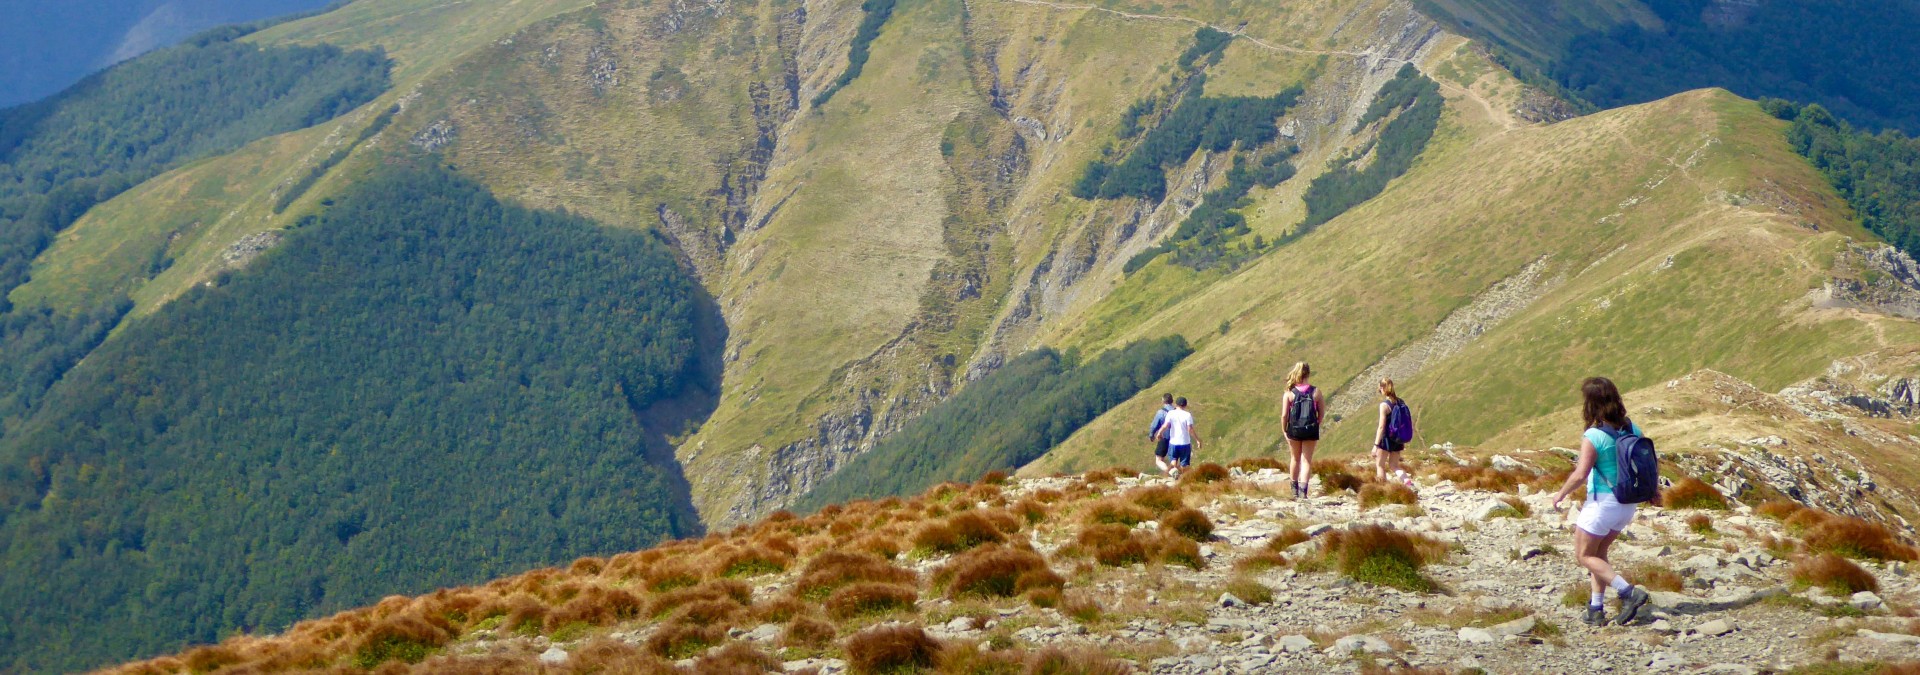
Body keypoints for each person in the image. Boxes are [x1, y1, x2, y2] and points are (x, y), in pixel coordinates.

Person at [1551, 376, 1661, 627]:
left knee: (1583, 555)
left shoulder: (1594, 435)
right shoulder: (1632, 428)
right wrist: (1654, 490)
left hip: (1603, 504)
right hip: (1627, 503)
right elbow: (1650, 462)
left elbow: (1580, 473)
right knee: (1599, 554)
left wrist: (1560, 494)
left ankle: (1628, 592)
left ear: (1590, 404)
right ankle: (1596, 608)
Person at [1282, 362, 1323, 498]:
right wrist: (1316, 423)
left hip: (1294, 430)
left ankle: (1294, 490)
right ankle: (1303, 492)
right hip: (1310, 429)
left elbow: (1284, 415)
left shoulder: (1289, 394)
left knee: (1295, 458)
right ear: (1308, 373)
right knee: (1306, 460)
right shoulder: (1316, 392)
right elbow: (1321, 412)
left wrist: (1284, 430)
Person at [1372, 378, 1414, 487]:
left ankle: (1383, 488)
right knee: (1394, 465)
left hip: (1386, 439)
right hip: (1397, 439)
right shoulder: (1400, 402)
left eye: (1379, 389)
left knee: (1380, 465)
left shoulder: (1384, 405)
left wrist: (1376, 445)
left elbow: (1381, 427)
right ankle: (1407, 482)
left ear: (1382, 388)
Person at [1153, 396, 1199, 478]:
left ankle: (1173, 476)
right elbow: (1190, 429)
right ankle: (1183, 479)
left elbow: (1165, 425)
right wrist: (1197, 440)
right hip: (1185, 443)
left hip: (1173, 442)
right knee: (1184, 464)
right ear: (1185, 405)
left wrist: (1159, 432)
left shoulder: (1171, 413)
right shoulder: (1187, 415)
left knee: (1173, 461)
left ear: (1176, 404)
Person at [1149, 393, 1176, 473]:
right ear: (1172, 401)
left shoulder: (1161, 412)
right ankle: (1176, 473)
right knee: (1174, 459)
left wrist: (1151, 435)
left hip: (1164, 437)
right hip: (1176, 438)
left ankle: (1170, 472)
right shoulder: (1176, 412)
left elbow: (1154, 425)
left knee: (1159, 459)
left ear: (1163, 401)